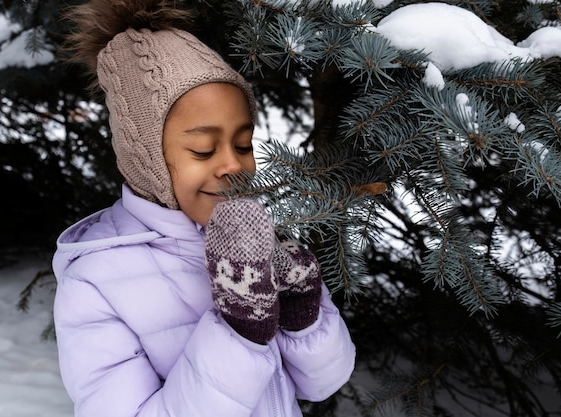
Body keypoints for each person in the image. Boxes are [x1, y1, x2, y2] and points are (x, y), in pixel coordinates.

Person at [51, 0, 356, 416]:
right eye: (203, 149)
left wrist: (303, 311)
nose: (233, 164)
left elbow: (322, 383)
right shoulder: (94, 284)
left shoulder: (256, 240)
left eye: (244, 145)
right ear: (146, 158)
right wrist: (240, 329)